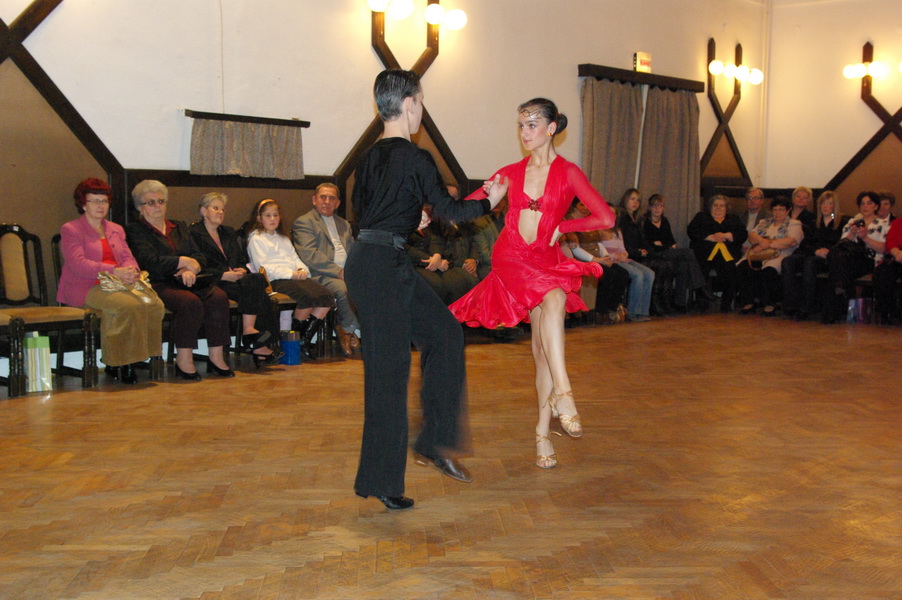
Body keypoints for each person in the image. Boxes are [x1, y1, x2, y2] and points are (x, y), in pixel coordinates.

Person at [347, 69, 508, 510]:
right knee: (388, 374)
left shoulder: (367, 158)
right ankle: (383, 481)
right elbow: (452, 211)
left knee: (445, 333)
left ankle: (435, 441)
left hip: (380, 261)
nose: (421, 109)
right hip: (380, 268)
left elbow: (366, 215)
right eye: (420, 101)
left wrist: (408, 219)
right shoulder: (416, 157)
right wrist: (490, 198)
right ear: (410, 103)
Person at [450, 97, 616, 470]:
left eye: (532, 125)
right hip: (511, 255)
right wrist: (427, 213)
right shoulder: (510, 172)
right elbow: (465, 207)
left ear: (551, 128)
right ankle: (565, 393)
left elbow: (605, 217)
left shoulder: (569, 172)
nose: (524, 133)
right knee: (555, 297)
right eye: (521, 125)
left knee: (542, 351)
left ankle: (542, 434)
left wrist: (565, 226)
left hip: (546, 258)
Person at [57, 178, 165, 384]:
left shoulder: (115, 229)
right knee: (126, 305)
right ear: (83, 204)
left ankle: (143, 355)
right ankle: (121, 362)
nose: (100, 206)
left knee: (154, 303)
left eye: (104, 201)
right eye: (94, 201)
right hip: (87, 286)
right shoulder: (71, 229)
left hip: (120, 283)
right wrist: (114, 271)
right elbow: (78, 264)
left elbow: (127, 256)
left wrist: (132, 270)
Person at [126, 180, 234, 380]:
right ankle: (184, 361)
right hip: (157, 283)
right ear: (139, 207)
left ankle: (216, 357)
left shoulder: (179, 226)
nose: (157, 206)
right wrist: (181, 262)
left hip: (189, 280)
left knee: (218, 297)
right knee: (189, 302)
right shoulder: (135, 230)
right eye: (151, 202)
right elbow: (149, 261)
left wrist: (189, 267)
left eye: (161, 201)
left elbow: (199, 256)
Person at [189, 192, 279, 367]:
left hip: (235, 279)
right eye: (216, 208)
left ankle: (250, 332)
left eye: (223, 209)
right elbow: (197, 263)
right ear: (203, 211)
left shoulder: (227, 232)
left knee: (257, 280)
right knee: (259, 295)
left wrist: (242, 270)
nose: (220, 212)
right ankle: (259, 343)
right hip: (214, 281)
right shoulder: (194, 233)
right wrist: (222, 275)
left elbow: (240, 260)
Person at [246, 198, 334, 361]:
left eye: (275, 215)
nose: (272, 219)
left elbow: (295, 258)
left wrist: (302, 270)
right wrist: (291, 274)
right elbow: (263, 267)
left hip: (294, 277)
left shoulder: (284, 238)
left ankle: (303, 339)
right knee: (306, 298)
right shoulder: (256, 239)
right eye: (268, 216)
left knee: (327, 296)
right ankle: (292, 339)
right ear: (259, 218)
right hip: (276, 280)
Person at [292, 183, 359, 357]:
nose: (327, 201)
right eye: (323, 197)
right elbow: (310, 255)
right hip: (319, 275)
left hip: (345, 272)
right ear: (314, 200)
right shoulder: (304, 222)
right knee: (342, 288)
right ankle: (348, 329)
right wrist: (339, 272)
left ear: (338, 203)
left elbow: (353, 251)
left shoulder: (344, 224)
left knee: (377, 286)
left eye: (332, 198)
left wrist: (356, 270)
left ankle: (369, 332)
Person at [820, 191, 889, 323]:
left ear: (876, 206)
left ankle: (834, 306)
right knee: (840, 262)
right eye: (862, 204)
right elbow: (842, 244)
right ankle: (838, 295)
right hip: (849, 259)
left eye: (869, 203)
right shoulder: (852, 222)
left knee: (838, 269)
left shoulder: (882, 224)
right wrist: (852, 234)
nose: (865, 206)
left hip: (870, 260)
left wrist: (865, 237)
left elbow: (884, 248)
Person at [781, 190, 848, 320]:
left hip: (829, 257)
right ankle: (791, 304)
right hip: (813, 253)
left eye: (829, 203)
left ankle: (807, 305)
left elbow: (842, 244)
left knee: (810, 263)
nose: (825, 206)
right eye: (823, 203)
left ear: (834, 206)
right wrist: (816, 251)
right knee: (788, 261)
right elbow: (805, 244)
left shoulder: (841, 223)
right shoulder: (813, 223)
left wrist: (826, 252)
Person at [735, 196, 803, 316]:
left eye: (781, 209)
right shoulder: (764, 222)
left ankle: (770, 304)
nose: (778, 213)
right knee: (743, 267)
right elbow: (752, 237)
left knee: (769, 270)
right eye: (775, 209)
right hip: (758, 253)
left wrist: (765, 244)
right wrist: (762, 242)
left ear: (788, 210)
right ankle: (749, 302)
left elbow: (790, 241)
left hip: (780, 254)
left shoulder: (794, 224)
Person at [563, 202, 630, 324]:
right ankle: (600, 311)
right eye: (581, 205)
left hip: (597, 257)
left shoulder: (590, 221)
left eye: (586, 205)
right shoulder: (571, 222)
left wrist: (606, 257)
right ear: (574, 207)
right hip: (582, 258)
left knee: (622, 274)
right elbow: (575, 249)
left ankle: (611, 309)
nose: (585, 208)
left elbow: (599, 243)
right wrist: (596, 260)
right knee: (607, 274)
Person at [642, 193, 709, 312]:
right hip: (654, 254)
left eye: (660, 206)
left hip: (666, 252)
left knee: (684, 265)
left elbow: (671, 241)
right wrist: (662, 245)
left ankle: (679, 303)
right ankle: (700, 287)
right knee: (688, 252)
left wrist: (662, 245)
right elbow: (648, 244)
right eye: (654, 205)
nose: (657, 209)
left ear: (663, 208)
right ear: (649, 207)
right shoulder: (644, 222)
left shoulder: (664, 221)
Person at [687, 195, 748, 312]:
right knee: (700, 268)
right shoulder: (701, 217)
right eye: (715, 205)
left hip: (727, 254)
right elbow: (691, 231)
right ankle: (702, 301)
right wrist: (709, 237)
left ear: (726, 208)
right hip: (705, 253)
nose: (718, 208)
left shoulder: (734, 219)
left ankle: (726, 302)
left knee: (730, 269)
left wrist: (727, 235)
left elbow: (743, 234)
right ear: (710, 207)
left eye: (721, 206)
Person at [618, 188, 670, 315]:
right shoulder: (622, 218)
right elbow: (621, 242)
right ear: (625, 200)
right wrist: (637, 252)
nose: (635, 202)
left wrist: (648, 251)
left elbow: (642, 240)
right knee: (658, 266)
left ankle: (647, 309)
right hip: (628, 255)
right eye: (632, 199)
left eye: (638, 200)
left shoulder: (637, 219)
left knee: (665, 263)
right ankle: (644, 307)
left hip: (638, 253)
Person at [873, 217, 902, 323]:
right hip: (897, 256)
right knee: (883, 272)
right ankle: (886, 312)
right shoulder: (898, 222)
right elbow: (890, 241)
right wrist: (897, 253)